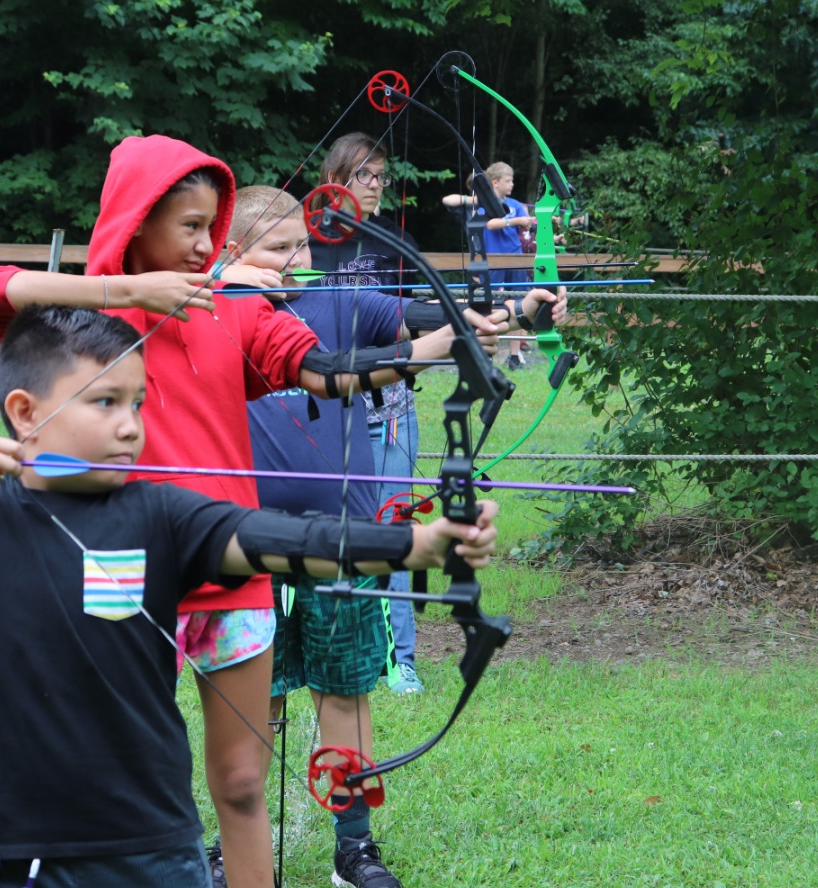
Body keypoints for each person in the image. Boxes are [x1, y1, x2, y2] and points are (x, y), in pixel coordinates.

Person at [0, 304, 500, 888]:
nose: (131, 424)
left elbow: (276, 538)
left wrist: (416, 545)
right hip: (9, 843)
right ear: (23, 410)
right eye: (105, 402)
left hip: (152, 844)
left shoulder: (164, 515)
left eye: (138, 401)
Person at [0, 135, 493, 888]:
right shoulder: (77, 320)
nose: (202, 243)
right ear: (135, 220)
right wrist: (128, 293)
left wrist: (450, 343)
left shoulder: (234, 305)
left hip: (225, 564)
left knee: (243, 780)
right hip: (114, 568)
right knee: (113, 774)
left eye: (210, 226)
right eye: (186, 226)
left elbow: (327, 371)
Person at [219, 184, 562, 888]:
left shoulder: (338, 303)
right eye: (276, 250)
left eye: (301, 249)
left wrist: (516, 310)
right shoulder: (207, 311)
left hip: (339, 536)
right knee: (253, 699)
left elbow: (431, 317)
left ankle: (355, 848)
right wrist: (223, 286)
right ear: (230, 251)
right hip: (239, 538)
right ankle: (234, 850)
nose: (294, 264)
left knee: (345, 691)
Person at [309, 132, 426, 696]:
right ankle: (342, 644)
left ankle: (401, 659)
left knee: (392, 524)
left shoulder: (395, 239)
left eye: (382, 176)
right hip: (327, 404)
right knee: (334, 528)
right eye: (365, 176)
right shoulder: (307, 243)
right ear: (337, 181)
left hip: (390, 407)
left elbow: (428, 316)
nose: (376, 185)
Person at [441, 161, 536, 372]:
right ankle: (481, 352)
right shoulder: (482, 203)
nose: (512, 184)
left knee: (518, 303)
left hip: (516, 259)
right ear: (495, 182)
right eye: (508, 180)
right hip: (493, 260)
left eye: (512, 180)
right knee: (487, 304)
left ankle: (514, 355)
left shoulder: (515, 204)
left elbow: (529, 223)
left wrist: (533, 220)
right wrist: (518, 220)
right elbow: (491, 223)